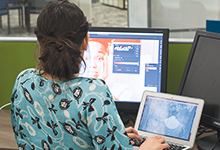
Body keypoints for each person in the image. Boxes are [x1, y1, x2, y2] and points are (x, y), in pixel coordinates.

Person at [10, 1, 169, 150]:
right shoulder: (94, 92)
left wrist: (113, 135)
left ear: (38, 41)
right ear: (86, 40)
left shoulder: (23, 81)